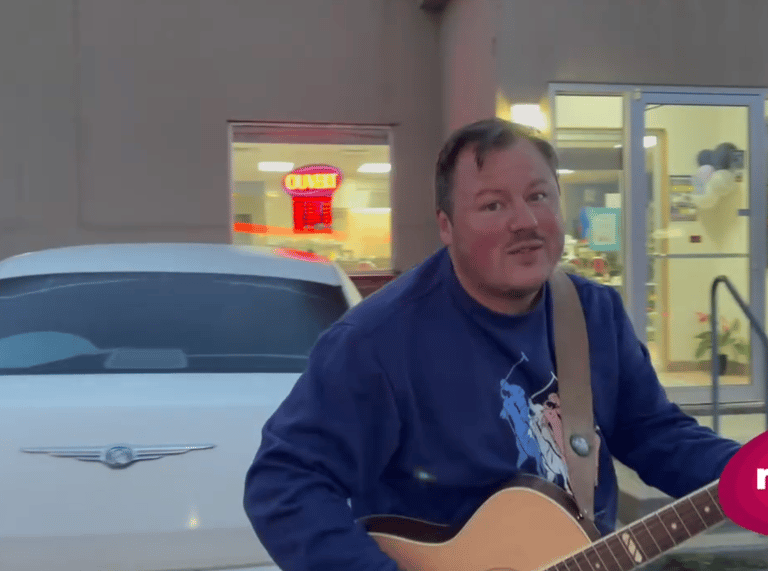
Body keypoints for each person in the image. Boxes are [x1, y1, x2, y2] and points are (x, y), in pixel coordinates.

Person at [243, 118, 741, 571]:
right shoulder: (378, 343)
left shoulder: (593, 314)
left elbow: (655, 433)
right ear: (446, 226)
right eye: (494, 204)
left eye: (539, 196)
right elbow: (285, 482)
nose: (524, 221)